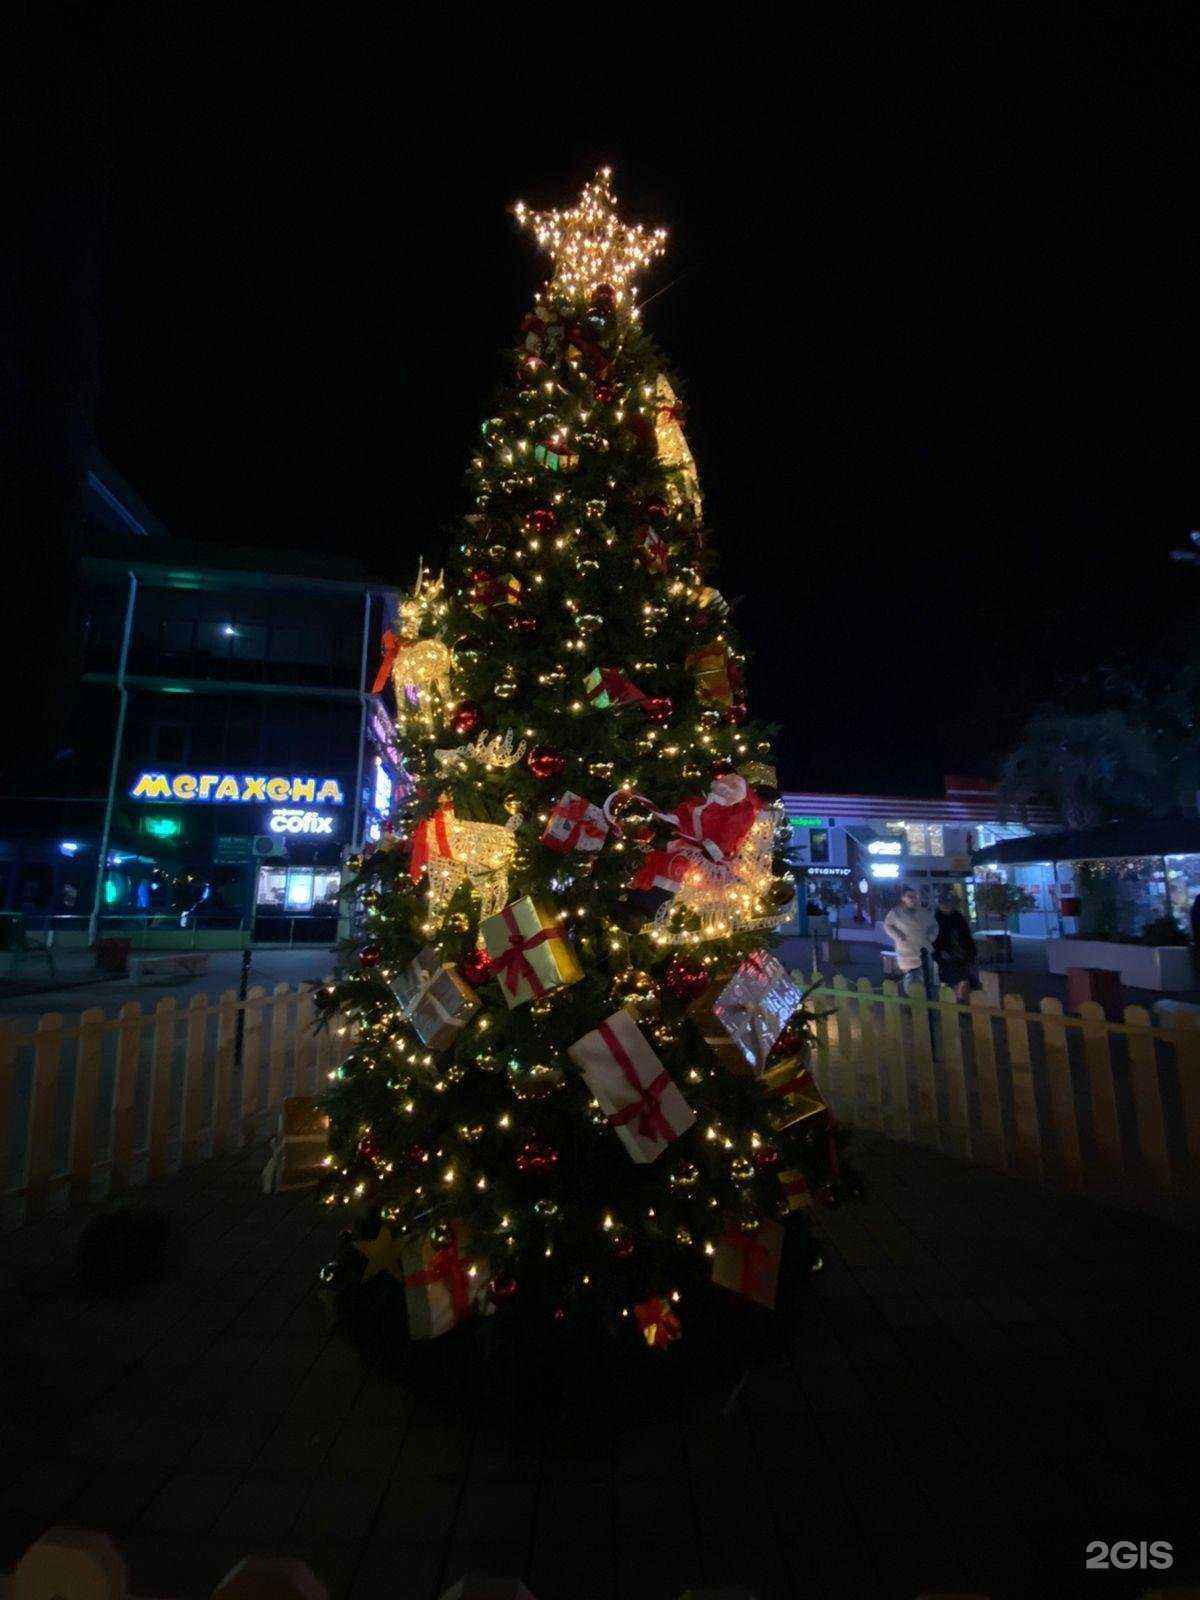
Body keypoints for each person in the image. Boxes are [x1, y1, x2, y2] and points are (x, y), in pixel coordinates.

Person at [883, 884, 938, 997]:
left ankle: (927, 1004)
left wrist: (930, 937)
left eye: (915, 896)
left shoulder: (924, 912)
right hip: (907, 953)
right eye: (909, 896)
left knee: (927, 981)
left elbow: (934, 926)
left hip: (925, 951)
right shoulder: (896, 913)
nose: (913, 898)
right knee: (911, 981)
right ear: (903, 898)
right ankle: (912, 1005)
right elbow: (887, 925)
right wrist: (898, 935)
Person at [933, 887, 978, 1002]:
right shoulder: (936, 919)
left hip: (961, 955)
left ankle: (961, 1001)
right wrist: (939, 953)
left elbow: (966, 935)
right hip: (946, 956)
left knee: (963, 979)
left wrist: (971, 952)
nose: (948, 906)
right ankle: (953, 1001)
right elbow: (933, 940)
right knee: (950, 981)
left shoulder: (957, 917)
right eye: (945, 903)